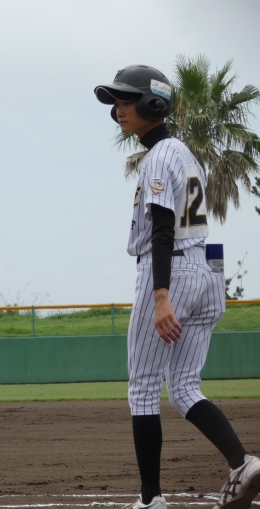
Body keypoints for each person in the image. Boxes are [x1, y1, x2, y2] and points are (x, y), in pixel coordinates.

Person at [94, 66, 260, 509]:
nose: (119, 109)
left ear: (154, 104)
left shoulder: (158, 157)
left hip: (171, 271)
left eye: (127, 100)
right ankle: (243, 463)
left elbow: (163, 228)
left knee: (143, 388)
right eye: (116, 102)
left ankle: (151, 499)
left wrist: (161, 295)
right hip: (207, 267)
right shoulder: (184, 153)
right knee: (185, 387)